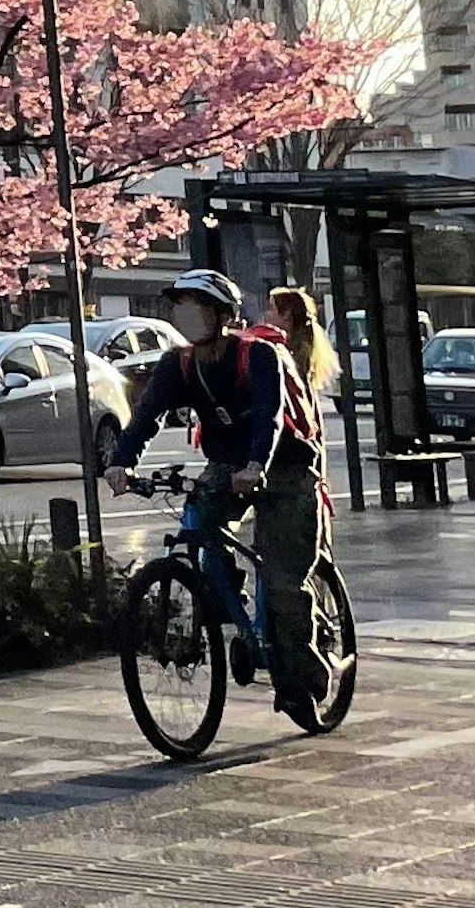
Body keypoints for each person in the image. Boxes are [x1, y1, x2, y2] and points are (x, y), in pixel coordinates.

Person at [106, 271, 331, 727]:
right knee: (200, 530)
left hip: (283, 467)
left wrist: (256, 467)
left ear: (224, 316)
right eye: (181, 307)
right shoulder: (179, 364)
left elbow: (270, 415)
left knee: (285, 579)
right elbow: (147, 415)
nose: (187, 317)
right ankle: (229, 607)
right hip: (228, 467)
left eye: (198, 307)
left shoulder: (260, 354)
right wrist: (121, 462)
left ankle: (301, 674)